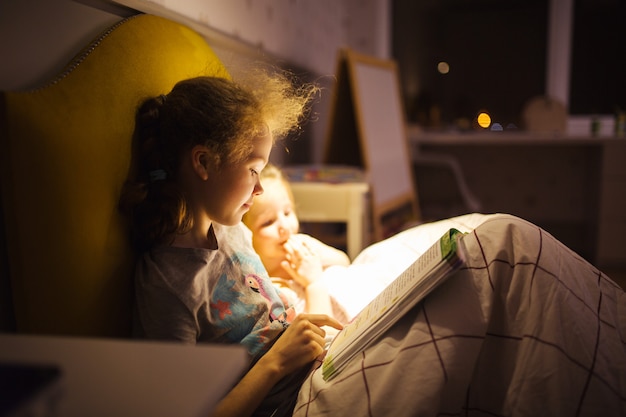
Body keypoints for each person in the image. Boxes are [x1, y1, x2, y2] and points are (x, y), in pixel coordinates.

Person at [119, 73, 626, 417]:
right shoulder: (166, 282)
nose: (259, 189)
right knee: (503, 251)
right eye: (253, 172)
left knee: (493, 246)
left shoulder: (228, 229)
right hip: (297, 399)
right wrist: (277, 361)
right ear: (202, 164)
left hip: (325, 355)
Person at [242, 163, 350, 321]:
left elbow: (344, 261)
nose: (284, 227)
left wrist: (316, 256)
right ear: (245, 234)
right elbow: (319, 332)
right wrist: (313, 281)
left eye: (287, 212)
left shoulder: (304, 245)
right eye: (268, 222)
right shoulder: (269, 289)